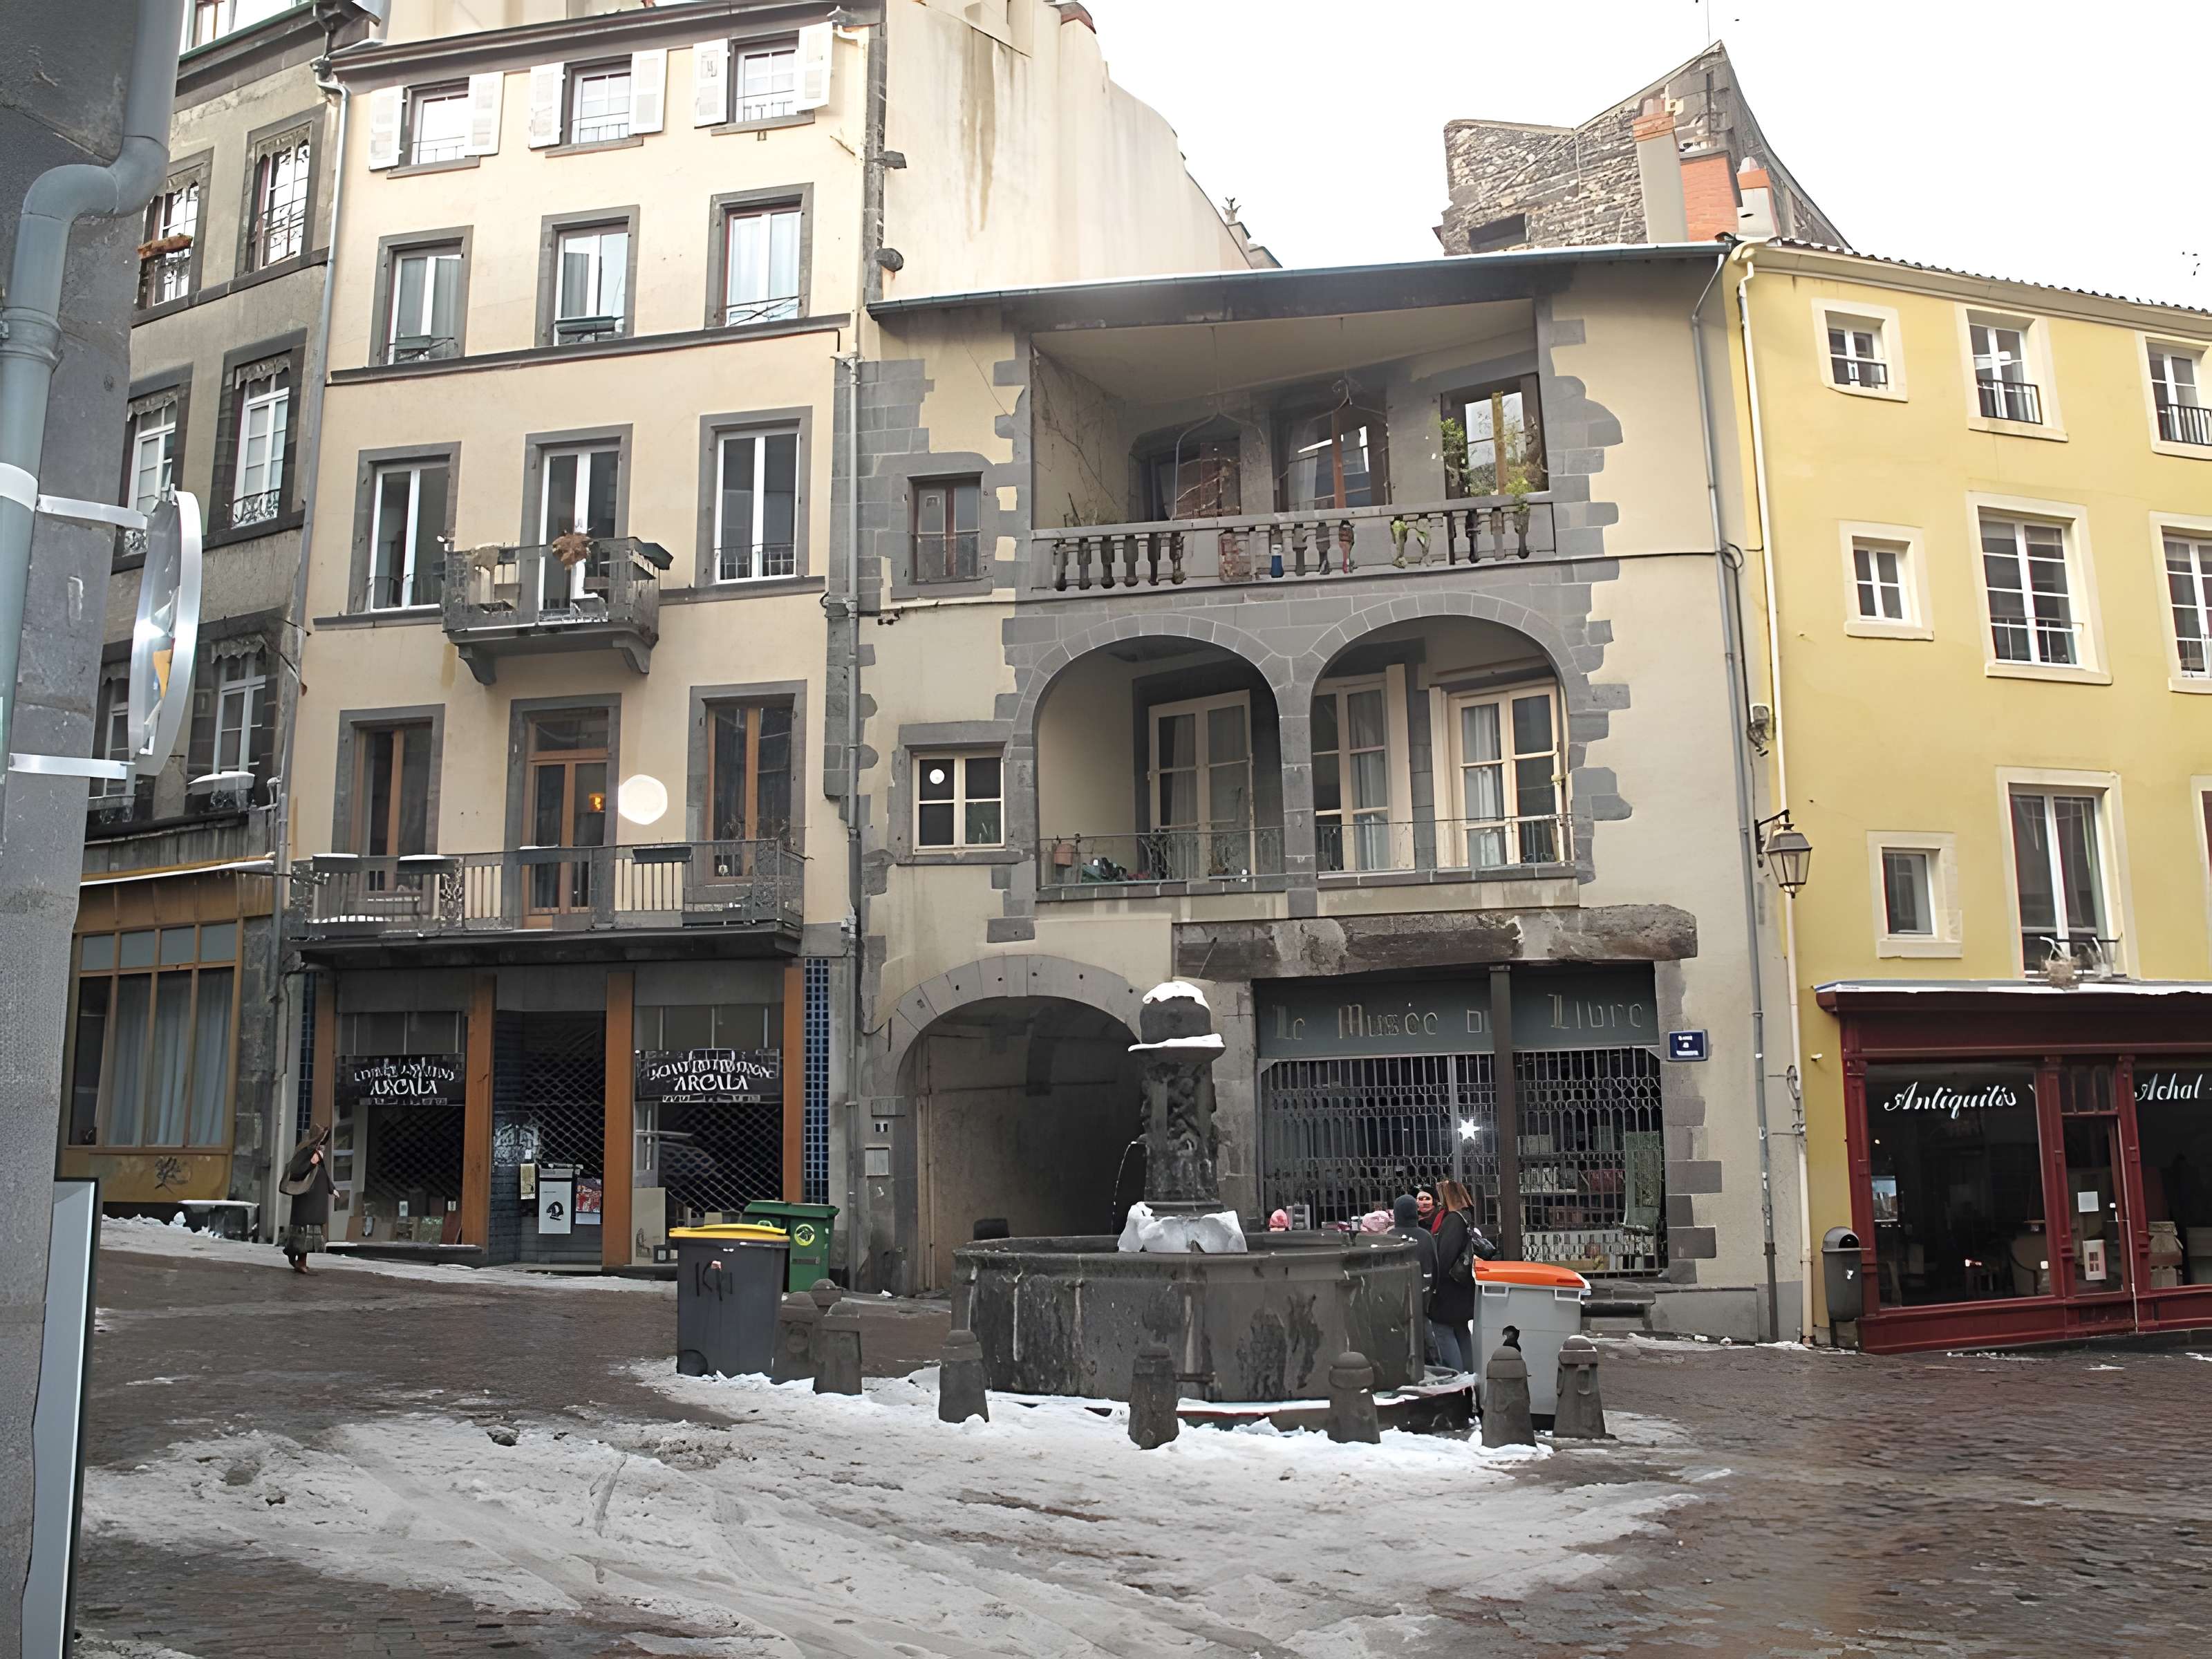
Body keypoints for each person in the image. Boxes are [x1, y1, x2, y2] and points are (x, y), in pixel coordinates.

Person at [1429, 1178, 1480, 1373]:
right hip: (1462, 1286)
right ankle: (1469, 1375)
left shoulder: (1452, 1221)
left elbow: (1445, 1257)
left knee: (1443, 1331)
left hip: (1449, 1288)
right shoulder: (1465, 1217)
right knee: (1461, 1331)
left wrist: (1435, 1286)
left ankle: (1457, 1377)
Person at [1393, 1194, 1445, 1369]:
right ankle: (1435, 1369)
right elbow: (1435, 1266)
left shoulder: (1390, 1236)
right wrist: (1433, 1292)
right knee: (1427, 1342)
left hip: (1395, 1299)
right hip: (1421, 1297)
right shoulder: (1424, 1237)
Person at [279, 1124, 334, 1274]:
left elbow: (324, 1173)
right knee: (302, 1233)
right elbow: (297, 1172)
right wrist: (312, 1163)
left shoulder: (318, 1155)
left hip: (316, 1201)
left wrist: (332, 1188)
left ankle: (300, 1260)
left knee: (310, 1235)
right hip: (305, 1200)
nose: (323, 1146)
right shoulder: (304, 1153)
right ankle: (299, 1260)